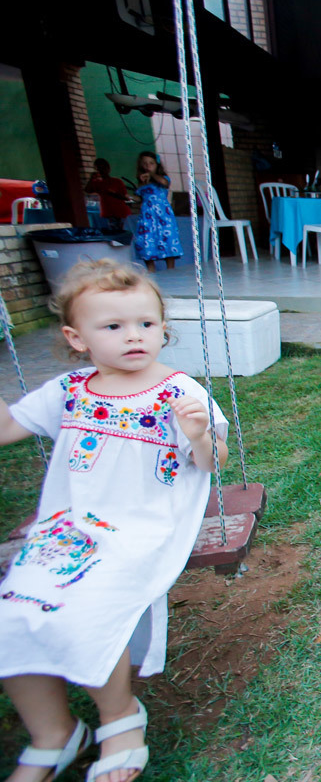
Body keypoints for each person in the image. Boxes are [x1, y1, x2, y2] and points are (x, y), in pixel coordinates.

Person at [0, 259, 228, 782]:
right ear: (76, 338)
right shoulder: (70, 390)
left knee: (89, 609)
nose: (133, 336)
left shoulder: (179, 392)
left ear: (162, 329)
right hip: (68, 530)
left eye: (146, 323)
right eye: (113, 326)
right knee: (11, 615)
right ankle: (53, 734)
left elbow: (212, 462)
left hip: (144, 529)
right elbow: (7, 428)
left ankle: (119, 715)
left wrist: (198, 436)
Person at [131, 152, 182, 272]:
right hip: (147, 216)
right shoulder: (142, 183)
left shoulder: (162, 179)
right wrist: (129, 197)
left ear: (157, 165)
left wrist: (152, 174)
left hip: (163, 215)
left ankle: (171, 269)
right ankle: (151, 269)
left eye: (151, 163)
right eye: (145, 163)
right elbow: (140, 198)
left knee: (167, 238)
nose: (148, 166)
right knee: (147, 239)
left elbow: (165, 183)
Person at [84, 159, 132, 230]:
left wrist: (114, 193)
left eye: (103, 168)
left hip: (121, 213)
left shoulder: (117, 181)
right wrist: (91, 179)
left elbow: (126, 197)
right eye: (98, 168)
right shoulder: (98, 183)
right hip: (108, 215)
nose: (101, 170)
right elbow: (87, 190)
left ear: (108, 169)